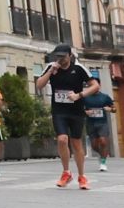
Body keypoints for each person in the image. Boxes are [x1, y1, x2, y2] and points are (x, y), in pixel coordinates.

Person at [34, 44, 99, 190]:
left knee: (76, 143)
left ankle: (82, 176)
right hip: (59, 111)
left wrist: (79, 95)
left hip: (76, 111)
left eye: (63, 56)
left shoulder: (79, 69)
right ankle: (66, 172)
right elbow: (39, 85)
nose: (60, 59)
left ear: (70, 56)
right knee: (62, 139)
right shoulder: (52, 67)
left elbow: (95, 86)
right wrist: (51, 71)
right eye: (58, 56)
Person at [83, 84, 115, 172]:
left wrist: (110, 109)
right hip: (90, 123)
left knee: (103, 141)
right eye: (91, 85)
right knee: (94, 145)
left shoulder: (105, 97)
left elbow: (114, 108)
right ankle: (101, 155)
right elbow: (79, 109)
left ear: (99, 86)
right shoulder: (85, 97)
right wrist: (86, 112)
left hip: (102, 123)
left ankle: (103, 163)